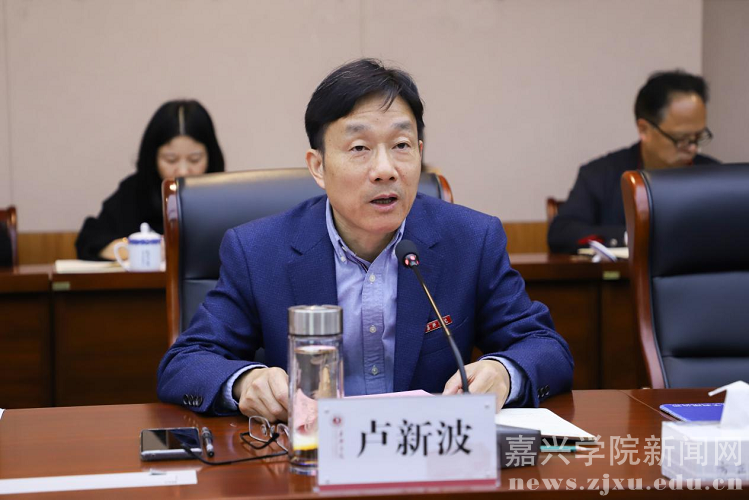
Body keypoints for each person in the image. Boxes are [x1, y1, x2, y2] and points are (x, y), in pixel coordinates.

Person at [157, 59, 573, 420]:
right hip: (310, 462)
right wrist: (245, 381)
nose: (385, 169)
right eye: (359, 148)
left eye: (401, 145)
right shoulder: (259, 251)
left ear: (420, 152)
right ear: (318, 166)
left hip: (428, 458)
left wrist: (504, 373)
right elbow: (185, 362)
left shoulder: (470, 240)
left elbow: (545, 347)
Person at [548, 70, 720, 254]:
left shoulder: (714, 175)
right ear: (644, 129)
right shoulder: (601, 174)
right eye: (682, 138)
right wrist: (633, 237)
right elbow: (562, 232)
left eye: (698, 137)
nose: (693, 148)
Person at [75, 100, 225, 260]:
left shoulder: (225, 196)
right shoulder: (135, 192)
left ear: (211, 157)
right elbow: (89, 241)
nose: (183, 171)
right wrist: (134, 250)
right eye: (171, 159)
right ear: (153, 158)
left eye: (195, 159)